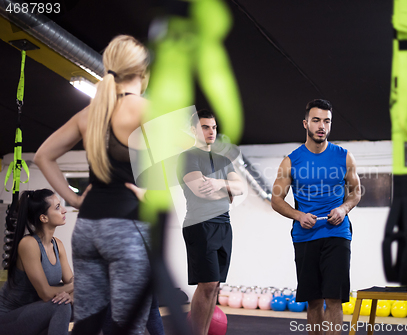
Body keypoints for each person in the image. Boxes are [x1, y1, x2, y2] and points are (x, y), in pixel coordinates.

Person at [34, 35, 154, 335]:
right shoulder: (143, 107)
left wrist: (74, 200)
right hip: (127, 227)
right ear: (144, 72)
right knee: (128, 328)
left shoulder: (90, 113)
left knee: (89, 324)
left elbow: (43, 156)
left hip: (87, 229)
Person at [271, 99, 361, 335]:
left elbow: (356, 192)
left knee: (333, 299)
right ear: (306, 123)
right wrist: (299, 215)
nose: (322, 126)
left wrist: (343, 209)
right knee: (313, 301)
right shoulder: (290, 161)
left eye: (327, 121)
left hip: (337, 234)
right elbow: (276, 200)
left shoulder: (344, 156)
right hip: (305, 236)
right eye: (316, 120)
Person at [177, 109, 244, 335]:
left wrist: (217, 184)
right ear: (193, 130)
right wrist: (226, 188)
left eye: (214, 127)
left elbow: (240, 188)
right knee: (206, 285)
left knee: (214, 287)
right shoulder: (188, 157)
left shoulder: (224, 160)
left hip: (224, 225)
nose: (211, 131)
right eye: (205, 127)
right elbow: (200, 190)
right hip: (200, 225)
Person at [0, 189, 73, 335]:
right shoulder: (29, 244)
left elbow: (70, 281)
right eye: (58, 207)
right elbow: (46, 294)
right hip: (9, 319)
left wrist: (72, 293)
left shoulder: (57, 244)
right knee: (61, 305)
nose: (64, 210)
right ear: (44, 218)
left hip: (35, 312)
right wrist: (74, 287)